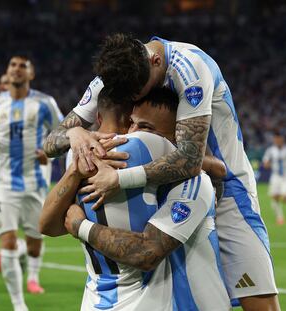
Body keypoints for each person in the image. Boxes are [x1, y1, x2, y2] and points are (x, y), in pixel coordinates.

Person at [44, 33, 279, 310]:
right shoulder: (115, 79)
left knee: (258, 302)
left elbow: (191, 160)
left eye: (137, 94)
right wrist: (75, 132)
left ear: (155, 61)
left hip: (228, 194)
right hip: (168, 187)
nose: (131, 101)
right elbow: (50, 142)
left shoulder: (191, 67)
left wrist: (119, 178)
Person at [41, 88, 231, 310]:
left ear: (174, 140)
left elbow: (145, 253)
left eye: (147, 130)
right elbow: (47, 225)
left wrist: (79, 225)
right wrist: (74, 139)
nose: (132, 134)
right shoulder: (101, 172)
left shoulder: (195, 184)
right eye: (132, 123)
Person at [0, 56, 61, 311]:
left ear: (31, 74)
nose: (16, 70)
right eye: (12, 65)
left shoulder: (44, 103)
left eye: (23, 66)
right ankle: (18, 303)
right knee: (8, 241)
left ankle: (28, 265)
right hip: (2, 184)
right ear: (7, 72)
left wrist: (49, 151)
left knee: (34, 243)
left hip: (34, 184)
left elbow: (63, 133)